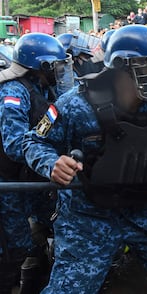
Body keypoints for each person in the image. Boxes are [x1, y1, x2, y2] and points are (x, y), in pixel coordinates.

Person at [22, 25, 147, 294]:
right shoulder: (75, 105)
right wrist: (52, 164)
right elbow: (34, 141)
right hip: (87, 219)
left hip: (144, 211)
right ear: (122, 67)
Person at [0, 33, 74, 293]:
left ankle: (36, 279)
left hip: (32, 177)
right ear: (41, 66)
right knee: (14, 245)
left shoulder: (44, 88)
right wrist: (49, 157)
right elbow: (14, 143)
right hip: (10, 181)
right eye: (56, 65)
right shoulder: (13, 91)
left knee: (47, 229)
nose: (60, 71)